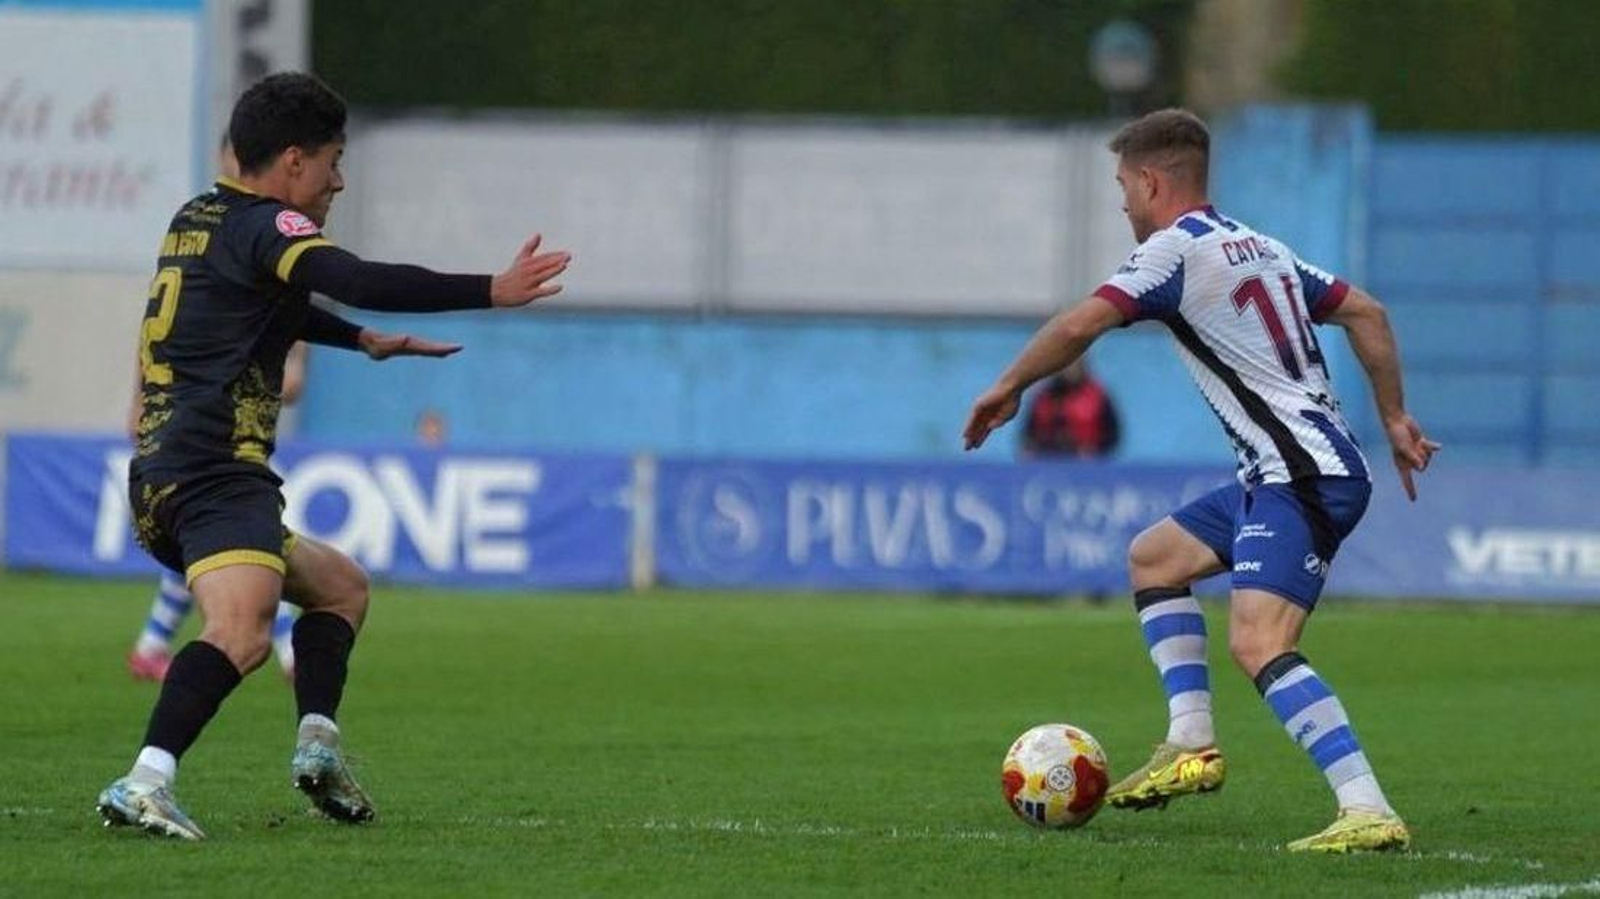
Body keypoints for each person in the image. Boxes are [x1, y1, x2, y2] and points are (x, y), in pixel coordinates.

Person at [98, 71, 571, 840]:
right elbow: (354, 276)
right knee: (243, 633)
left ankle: (317, 748)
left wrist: (359, 340)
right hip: (216, 469)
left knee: (342, 589)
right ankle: (145, 779)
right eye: (332, 160)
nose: (338, 180)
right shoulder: (268, 228)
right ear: (292, 161)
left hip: (170, 470)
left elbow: (265, 303)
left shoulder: (200, 217)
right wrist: (494, 287)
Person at [962, 109, 1438, 853]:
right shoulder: (1263, 248)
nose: (1122, 203)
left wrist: (1008, 385)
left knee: (1258, 640)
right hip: (1283, 471)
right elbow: (1366, 313)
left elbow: (1081, 324)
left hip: (1301, 473)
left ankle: (1367, 805)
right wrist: (1396, 418)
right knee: (1155, 557)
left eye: (1123, 185)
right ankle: (1191, 742)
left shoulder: (1171, 253)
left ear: (1152, 180)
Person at [125, 343, 305, 683]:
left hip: (231, 448)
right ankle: (292, 653)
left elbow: (292, 386)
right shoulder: (223, 303)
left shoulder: (261, 306)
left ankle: (151, 646)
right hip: (211, 453)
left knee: (202, 551)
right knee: (254, 551)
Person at [1019, 358, 1120, 459]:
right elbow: (1027, 434)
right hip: (1048, 458)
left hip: (1087, 461)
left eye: (1075, 365)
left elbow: (1113, 435)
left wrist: (1095, 450)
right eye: (1067, 365)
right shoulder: (1043, 397)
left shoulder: (1098, 396)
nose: (1070, 369)